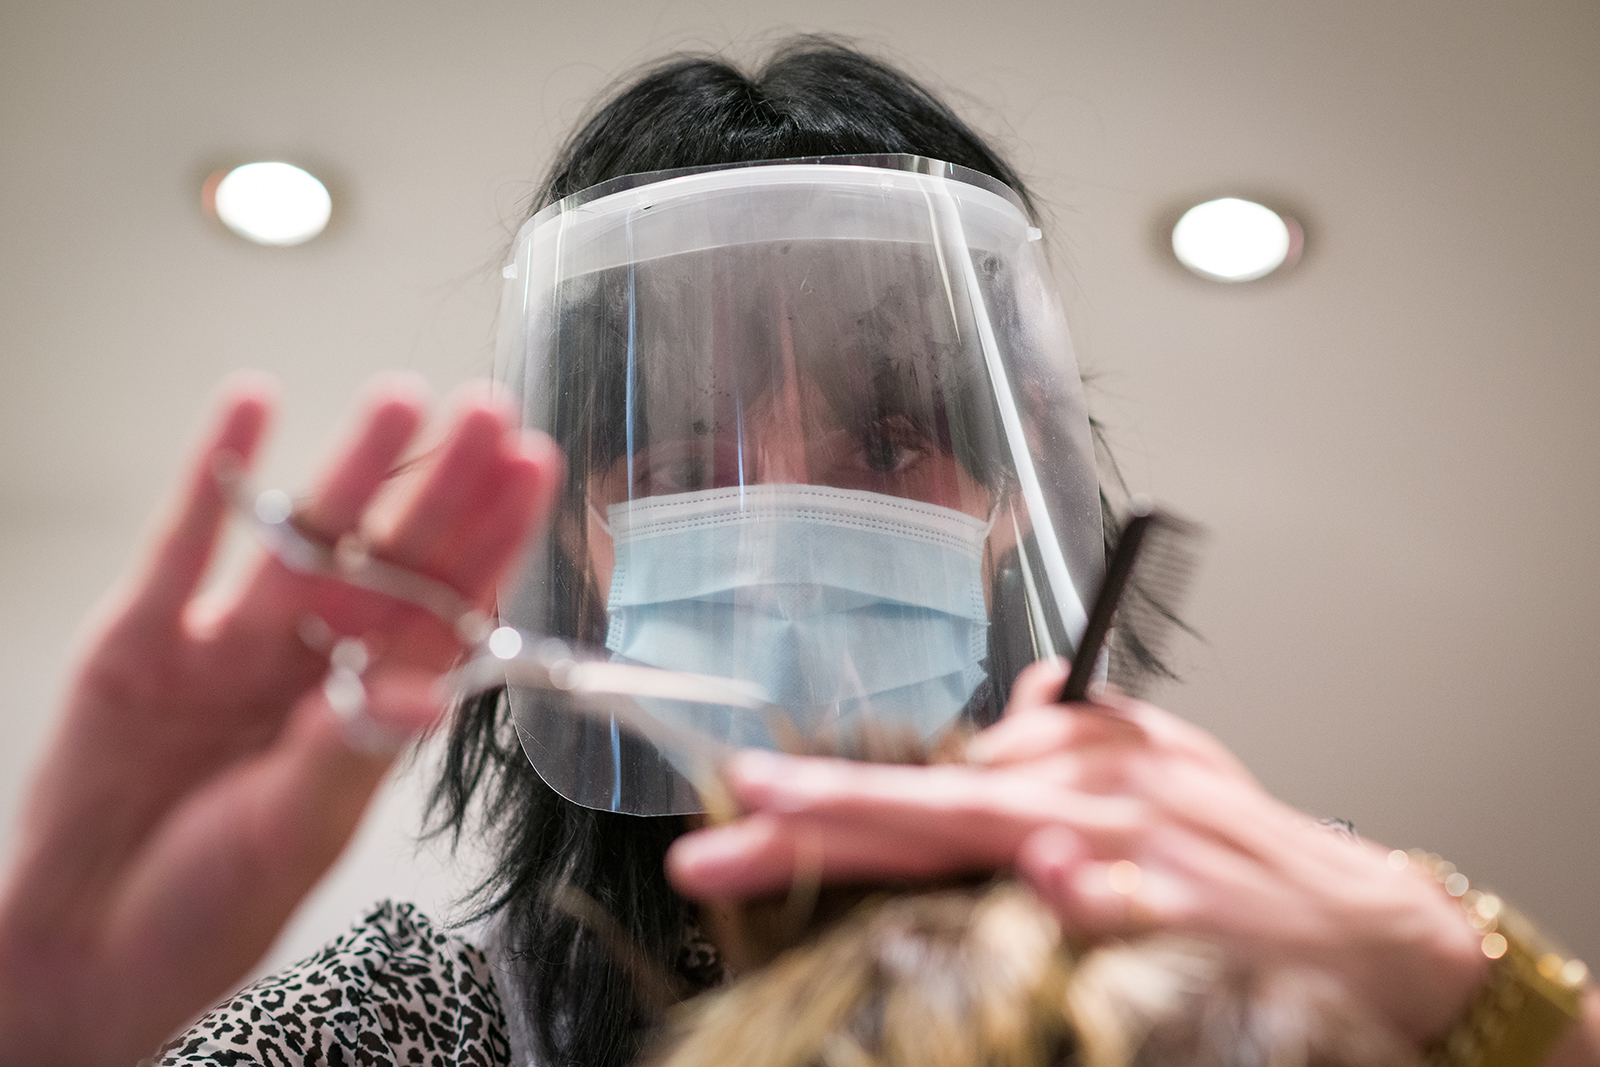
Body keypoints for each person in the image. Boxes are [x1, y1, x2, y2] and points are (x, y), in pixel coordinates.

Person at [0, 38, 1594, 1067]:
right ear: (582, 554)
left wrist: (1496, 997)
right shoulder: (418, 1030)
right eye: (685, 460)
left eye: (890, 445)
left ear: (1005, 513)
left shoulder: (1232, 945)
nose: (775, 518)